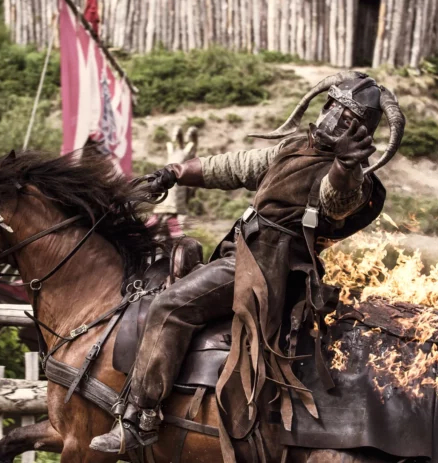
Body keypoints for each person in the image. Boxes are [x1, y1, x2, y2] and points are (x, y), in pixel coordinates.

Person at [90, 72, 406, 455]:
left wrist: (344, 167)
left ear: (359, 132)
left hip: (267, 271)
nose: (334, 119)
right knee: (175, 260)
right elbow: (237, 166)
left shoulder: (353, 177)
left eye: (347, 118)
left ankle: (139, 419)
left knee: (170, 306)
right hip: (240, 255)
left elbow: (335, 202)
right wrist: (173, 173)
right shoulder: (295, 147)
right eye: (333, 108)